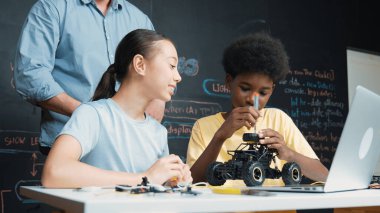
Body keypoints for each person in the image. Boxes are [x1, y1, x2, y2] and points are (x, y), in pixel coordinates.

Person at [41, 29, 192, 187]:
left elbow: (155, 187)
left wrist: (171, 183)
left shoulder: (159, 132)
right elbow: (54, 172)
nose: (178, 77)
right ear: (140, 64)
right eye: (172, 65)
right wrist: (144, 178)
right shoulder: (92, 115)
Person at [13, 0, 165, 153]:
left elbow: (158, 71)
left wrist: (158, 99)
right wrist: (90, 116)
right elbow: (31, 74)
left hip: (130, 145)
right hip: (74, 143)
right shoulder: (51, 8)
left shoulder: (139, 19)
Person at [187, 33, 328, 186]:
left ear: (272, 90)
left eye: (262, 93)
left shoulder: (279, 119)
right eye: (245, 88)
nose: (252, 99)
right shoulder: (203, 126)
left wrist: (288, 153)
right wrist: (220, 136)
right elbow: (192, 182)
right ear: (228, 82)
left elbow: (324, 176)